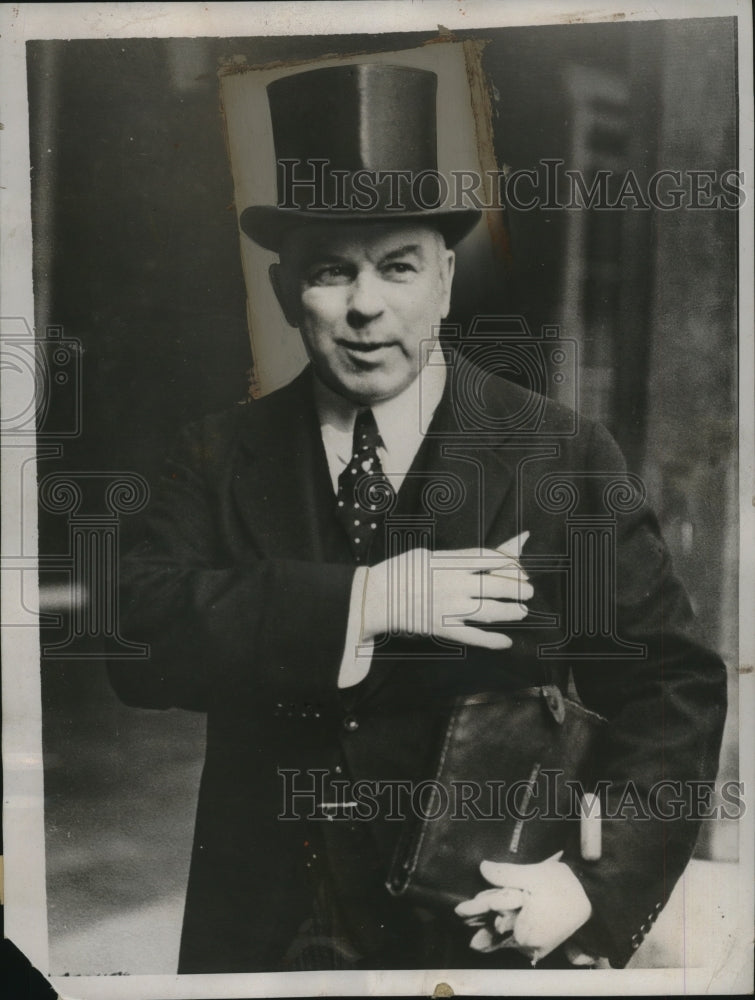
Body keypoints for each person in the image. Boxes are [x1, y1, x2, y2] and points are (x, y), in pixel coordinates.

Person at [108, 62, 727, 974]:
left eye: (396, 267)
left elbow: (671, 687)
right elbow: (135, 638)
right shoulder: (215, 452)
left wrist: (594, 891)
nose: (365, 307)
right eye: (331, 272)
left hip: (479, 929)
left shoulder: (554, 454)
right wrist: (364, 601)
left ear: (443, 278)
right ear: (287, 294)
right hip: (262, 937)